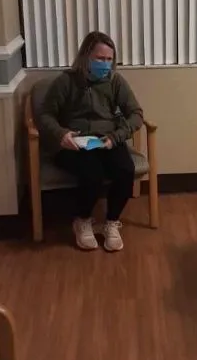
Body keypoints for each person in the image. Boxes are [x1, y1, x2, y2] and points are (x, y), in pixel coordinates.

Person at [38, 31, 143, 252]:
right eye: (99, 58)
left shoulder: (115, 81)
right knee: (92, 173)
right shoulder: (66, 81)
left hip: (106, 140)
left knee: (125, 169)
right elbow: (45, 115)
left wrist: (115, 137)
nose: (105, 64)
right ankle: (82, 220)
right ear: (86, 57)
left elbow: (136, 114)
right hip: (73, 143)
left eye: (109, 59)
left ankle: (112, 222)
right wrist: (61, 134)